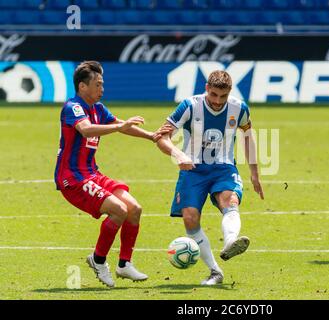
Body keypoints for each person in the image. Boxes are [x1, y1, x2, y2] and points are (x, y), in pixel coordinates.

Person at [54, 61, 171, 287]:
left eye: (102, 84)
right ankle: (98, 261)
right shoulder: (73, 107)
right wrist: (119, 127)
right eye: (98, 85)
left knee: (134, 209)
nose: (102, 89)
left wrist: (151, 136)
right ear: (82, 87)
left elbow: (121, 124)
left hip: (92, 173)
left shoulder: (98, 108)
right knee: (118, 210)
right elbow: (87, 129)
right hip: (73, 179)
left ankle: (124, 265)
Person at [156, 70, 264, 285]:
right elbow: (161, 136)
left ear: (229, 93)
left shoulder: (239, 108)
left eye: (222, 96)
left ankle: (231, 241)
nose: (217, 101)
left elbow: (247, 137)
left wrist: (254, 173)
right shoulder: (189, 106)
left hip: (223, 167)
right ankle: (215, 271)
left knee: (229, 200)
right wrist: (177, 154)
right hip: (193, 168)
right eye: (213, 95)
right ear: (207, 88)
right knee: (190, 218)